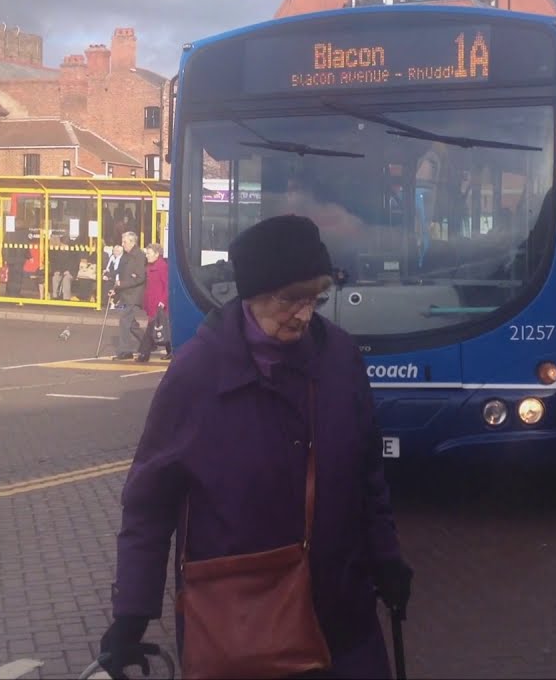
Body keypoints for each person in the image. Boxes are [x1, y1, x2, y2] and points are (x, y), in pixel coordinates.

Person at [97, 214, 411, 680]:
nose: (304, 314)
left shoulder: (340, 358)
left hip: (342, 616)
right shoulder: (198, 375)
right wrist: (132, 612)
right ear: (252, 293)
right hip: (242, 625)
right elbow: (149, 503)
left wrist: (386, 557)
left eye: (315, 298)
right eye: (290, 299)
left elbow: (367, 474)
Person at [110, 232, 147, 359]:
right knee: (131, 323)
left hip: (133, 294)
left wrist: (123, 284)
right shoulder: (125, 255)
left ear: (132, 242)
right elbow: (121, 274)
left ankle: (125, 350)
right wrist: (115, 289)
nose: (122, 244)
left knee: (124, 320)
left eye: (125, 242)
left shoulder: (139, 256)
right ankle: (148, 342)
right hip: (124, 293)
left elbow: (140, 277)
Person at [136, 243, 170, 362]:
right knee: (162, 327)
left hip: (159, 304)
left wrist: (163, 301)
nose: (146, 255)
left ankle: (144, 354)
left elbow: (167, 285)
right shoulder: (150, 266)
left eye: (148, 253)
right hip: (152, 303)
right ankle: (171, 350)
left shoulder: (162, 267)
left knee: (151, 328)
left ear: (156, 254)